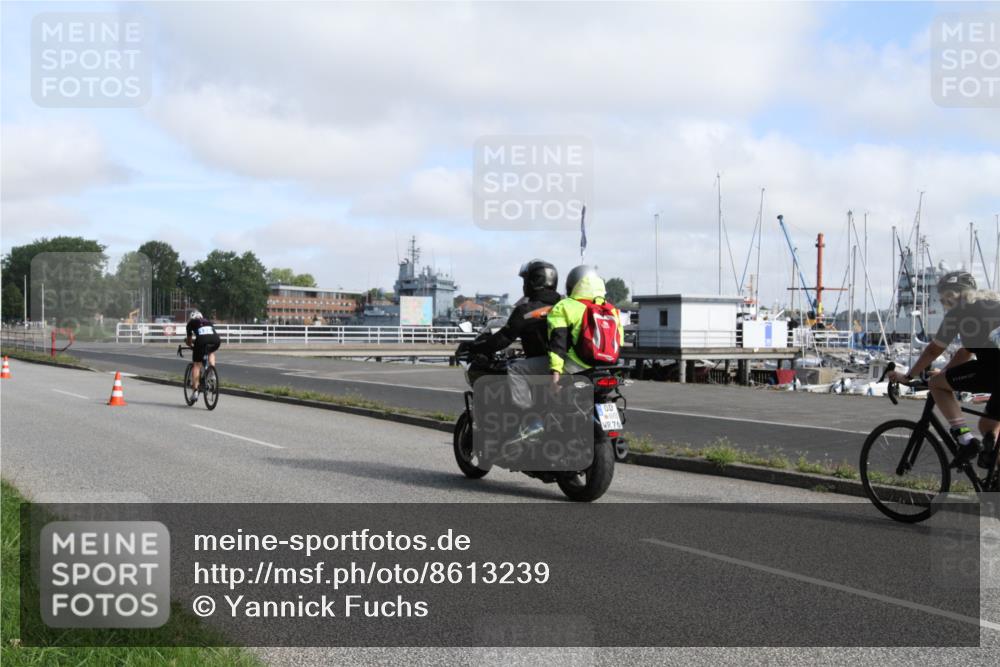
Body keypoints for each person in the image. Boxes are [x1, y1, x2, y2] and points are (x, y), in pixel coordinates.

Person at [889, 271, 1000, 467]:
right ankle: (994, 477)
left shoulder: (959, 312)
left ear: (953, 294)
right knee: (988, 425)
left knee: (935, 385)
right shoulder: (992, 305)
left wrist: (909, 376)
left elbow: (933, 350)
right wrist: (945, 373)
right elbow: (965, 353)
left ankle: (965, 440)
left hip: (994, 370)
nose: (942, 303)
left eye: (943, 298)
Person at [458, 260, 561, 410]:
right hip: (567, 363)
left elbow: (504, 338)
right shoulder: (564, 305)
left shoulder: (527, 311)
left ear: (534, 282)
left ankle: (527, 416)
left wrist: (475, 347)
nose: (523, 285)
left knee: (514, 368)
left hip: (546, 363)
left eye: (526, 281)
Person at [548, 265, 624, 384]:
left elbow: (558, 343)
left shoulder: (564, 306)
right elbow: (620, 341)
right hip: (606, 367)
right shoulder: (611, 309)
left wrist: (555, 373)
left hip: (575, 367)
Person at [185, 310, 221, 397]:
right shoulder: (208, 321)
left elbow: (190, 341)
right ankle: (212, 371)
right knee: (210, 352)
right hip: (216, 340)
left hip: (201, 341)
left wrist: (189, 344)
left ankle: (195, 392)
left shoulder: (191, 323)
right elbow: (208, 334)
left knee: (197, 365)